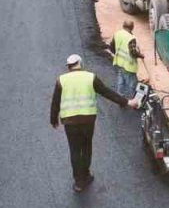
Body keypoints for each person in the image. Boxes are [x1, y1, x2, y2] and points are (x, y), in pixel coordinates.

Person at [49, 54, 139, 193]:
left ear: (68, 67)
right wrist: (127, 102)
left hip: (70, 122)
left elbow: (55, 102)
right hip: (87, 120)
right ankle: (86, 175)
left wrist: (53, 119)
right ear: (80, 63)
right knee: (86, 147)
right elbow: (107, 92)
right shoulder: (90, 77)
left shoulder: (61, 80)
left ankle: (78, 182)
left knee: (74, 150)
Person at [106, 19, 147, 99]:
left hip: (119, 62)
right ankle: (134, 99)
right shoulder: (131, 38)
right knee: (132, 83)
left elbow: (111, 47)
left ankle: (120, 96)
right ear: (132, 27)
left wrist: (117, 54)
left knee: (121, 80)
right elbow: (133, 53)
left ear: (123, 26)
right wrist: (141, 55)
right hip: (128, 65)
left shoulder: (117, 34)